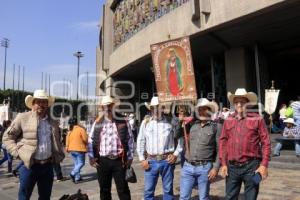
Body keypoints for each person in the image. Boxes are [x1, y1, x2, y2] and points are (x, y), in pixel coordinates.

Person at [3, 89, 65, 200]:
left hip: (47, 166)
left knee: (45, 197)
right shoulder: (22, 118)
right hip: (29, 166)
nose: (42, 104)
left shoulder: (53, 121)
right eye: (39, 102)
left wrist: (58, 155)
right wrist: (17, 153)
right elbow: (7, 137)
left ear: (47, 104)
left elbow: (57, 141)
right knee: (24, 197)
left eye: (44, 102)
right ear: (33, 103)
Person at [219, 88, 271, 200]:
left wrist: (264, 165)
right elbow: (223, 141)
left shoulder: (257, 118)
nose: (239, 105)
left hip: (252, 167)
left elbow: (266, 142)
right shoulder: (228, 119)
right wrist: (223, 163)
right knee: (229, 197)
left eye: (242, 102)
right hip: (232, 167)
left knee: (251, 197)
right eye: (236, 102)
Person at [137, 96, 183, 200]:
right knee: (148, 191)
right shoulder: (146, 123)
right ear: (151, 109)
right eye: (154, 108)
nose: (156, 110)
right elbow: (141, 141)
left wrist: (176, 154)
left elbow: (181, 139)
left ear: (162, 108)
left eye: (158, 107)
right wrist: (142, 159)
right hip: (150, 161)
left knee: (168, 190)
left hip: (167, 161)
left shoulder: (171, 122)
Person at [88, 95, 133, 200]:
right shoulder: (97, 122)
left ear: (114, 106)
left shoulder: (124, 121)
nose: (107, 108)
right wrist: (91, 157)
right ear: (102, 108)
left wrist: (130, 157)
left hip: (119, 160)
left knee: (123, 189)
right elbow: (90, 140)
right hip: (102, 161)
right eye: (105, 106)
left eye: (110, 105)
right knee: (104, 190)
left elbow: (130, 139)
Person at [179, 98, 221, 200]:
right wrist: (179, 121)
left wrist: (215, 168)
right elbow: (177, 135)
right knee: (183, 197)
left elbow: (220, 149)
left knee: (203, 197)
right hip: (187, 166)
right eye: (200, 109)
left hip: (205, 168)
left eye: (204, 109)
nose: (202, 112)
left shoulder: (216, 127)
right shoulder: (191, 125)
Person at [66, 118, 88, 184]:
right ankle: (72, 174)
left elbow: (67, 140)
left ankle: (77, 177)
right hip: (79, 149)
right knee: (81, 163)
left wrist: (67, 147)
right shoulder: (81, 129)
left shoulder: (70, 131)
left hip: (71, 149)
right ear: (77, 122)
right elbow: (85, 139)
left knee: (76, 164)